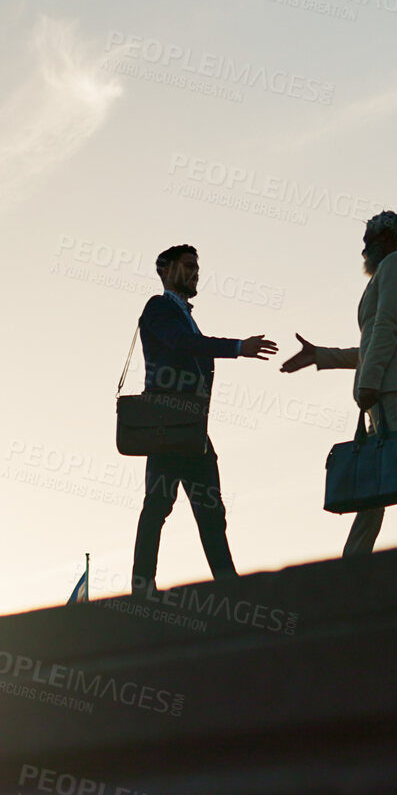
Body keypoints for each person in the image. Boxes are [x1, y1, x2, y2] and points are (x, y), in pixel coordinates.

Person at [281, 210, 397, 556]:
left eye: (367, 242)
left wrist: (368, 383)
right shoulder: (390, 271)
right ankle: (353, 562)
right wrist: (320, 355)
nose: (363, 251)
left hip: (392, 388)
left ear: (385, 238)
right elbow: (374, 341)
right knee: (378, 474)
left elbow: (387, 327)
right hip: (386, 389)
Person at [131, 244, 276, 598]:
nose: (196, 272)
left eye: (197, 266)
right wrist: (239, 347)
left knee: (208, 510)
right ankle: (142, 591)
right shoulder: (159, 307)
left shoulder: (181, 312)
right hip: (169, 427)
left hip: (190, 428)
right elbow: (184, 344)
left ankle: (228, 585)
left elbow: (189, 345)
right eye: (188, 266)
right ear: (166, 271)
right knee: (158, 507)